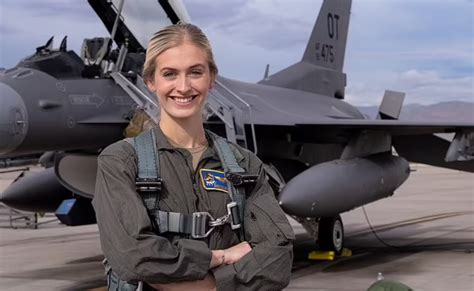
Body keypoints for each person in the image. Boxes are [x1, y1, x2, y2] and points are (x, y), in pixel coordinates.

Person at [93, 23, 294, 291]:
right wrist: (217, 259)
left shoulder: (244, 164)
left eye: (195, 72)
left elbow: (278, 257)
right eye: (170, 74)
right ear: (151, 81)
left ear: (212, 78)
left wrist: (201, 282)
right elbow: (132, 257)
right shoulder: (121, 162)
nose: (184, 86)